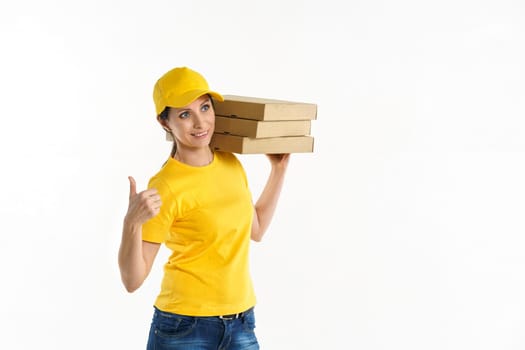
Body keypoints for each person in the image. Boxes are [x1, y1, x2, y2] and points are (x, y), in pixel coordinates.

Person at [118, 66, 290, 350]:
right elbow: (132, 279)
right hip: (185, 327)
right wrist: (131, 224)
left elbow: (255, 228)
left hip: (241, 322)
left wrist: (278, 170)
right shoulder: (165, 185)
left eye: (205, 107)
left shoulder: (231, 164)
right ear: (165, 123)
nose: (200, 123)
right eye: (185, 114)